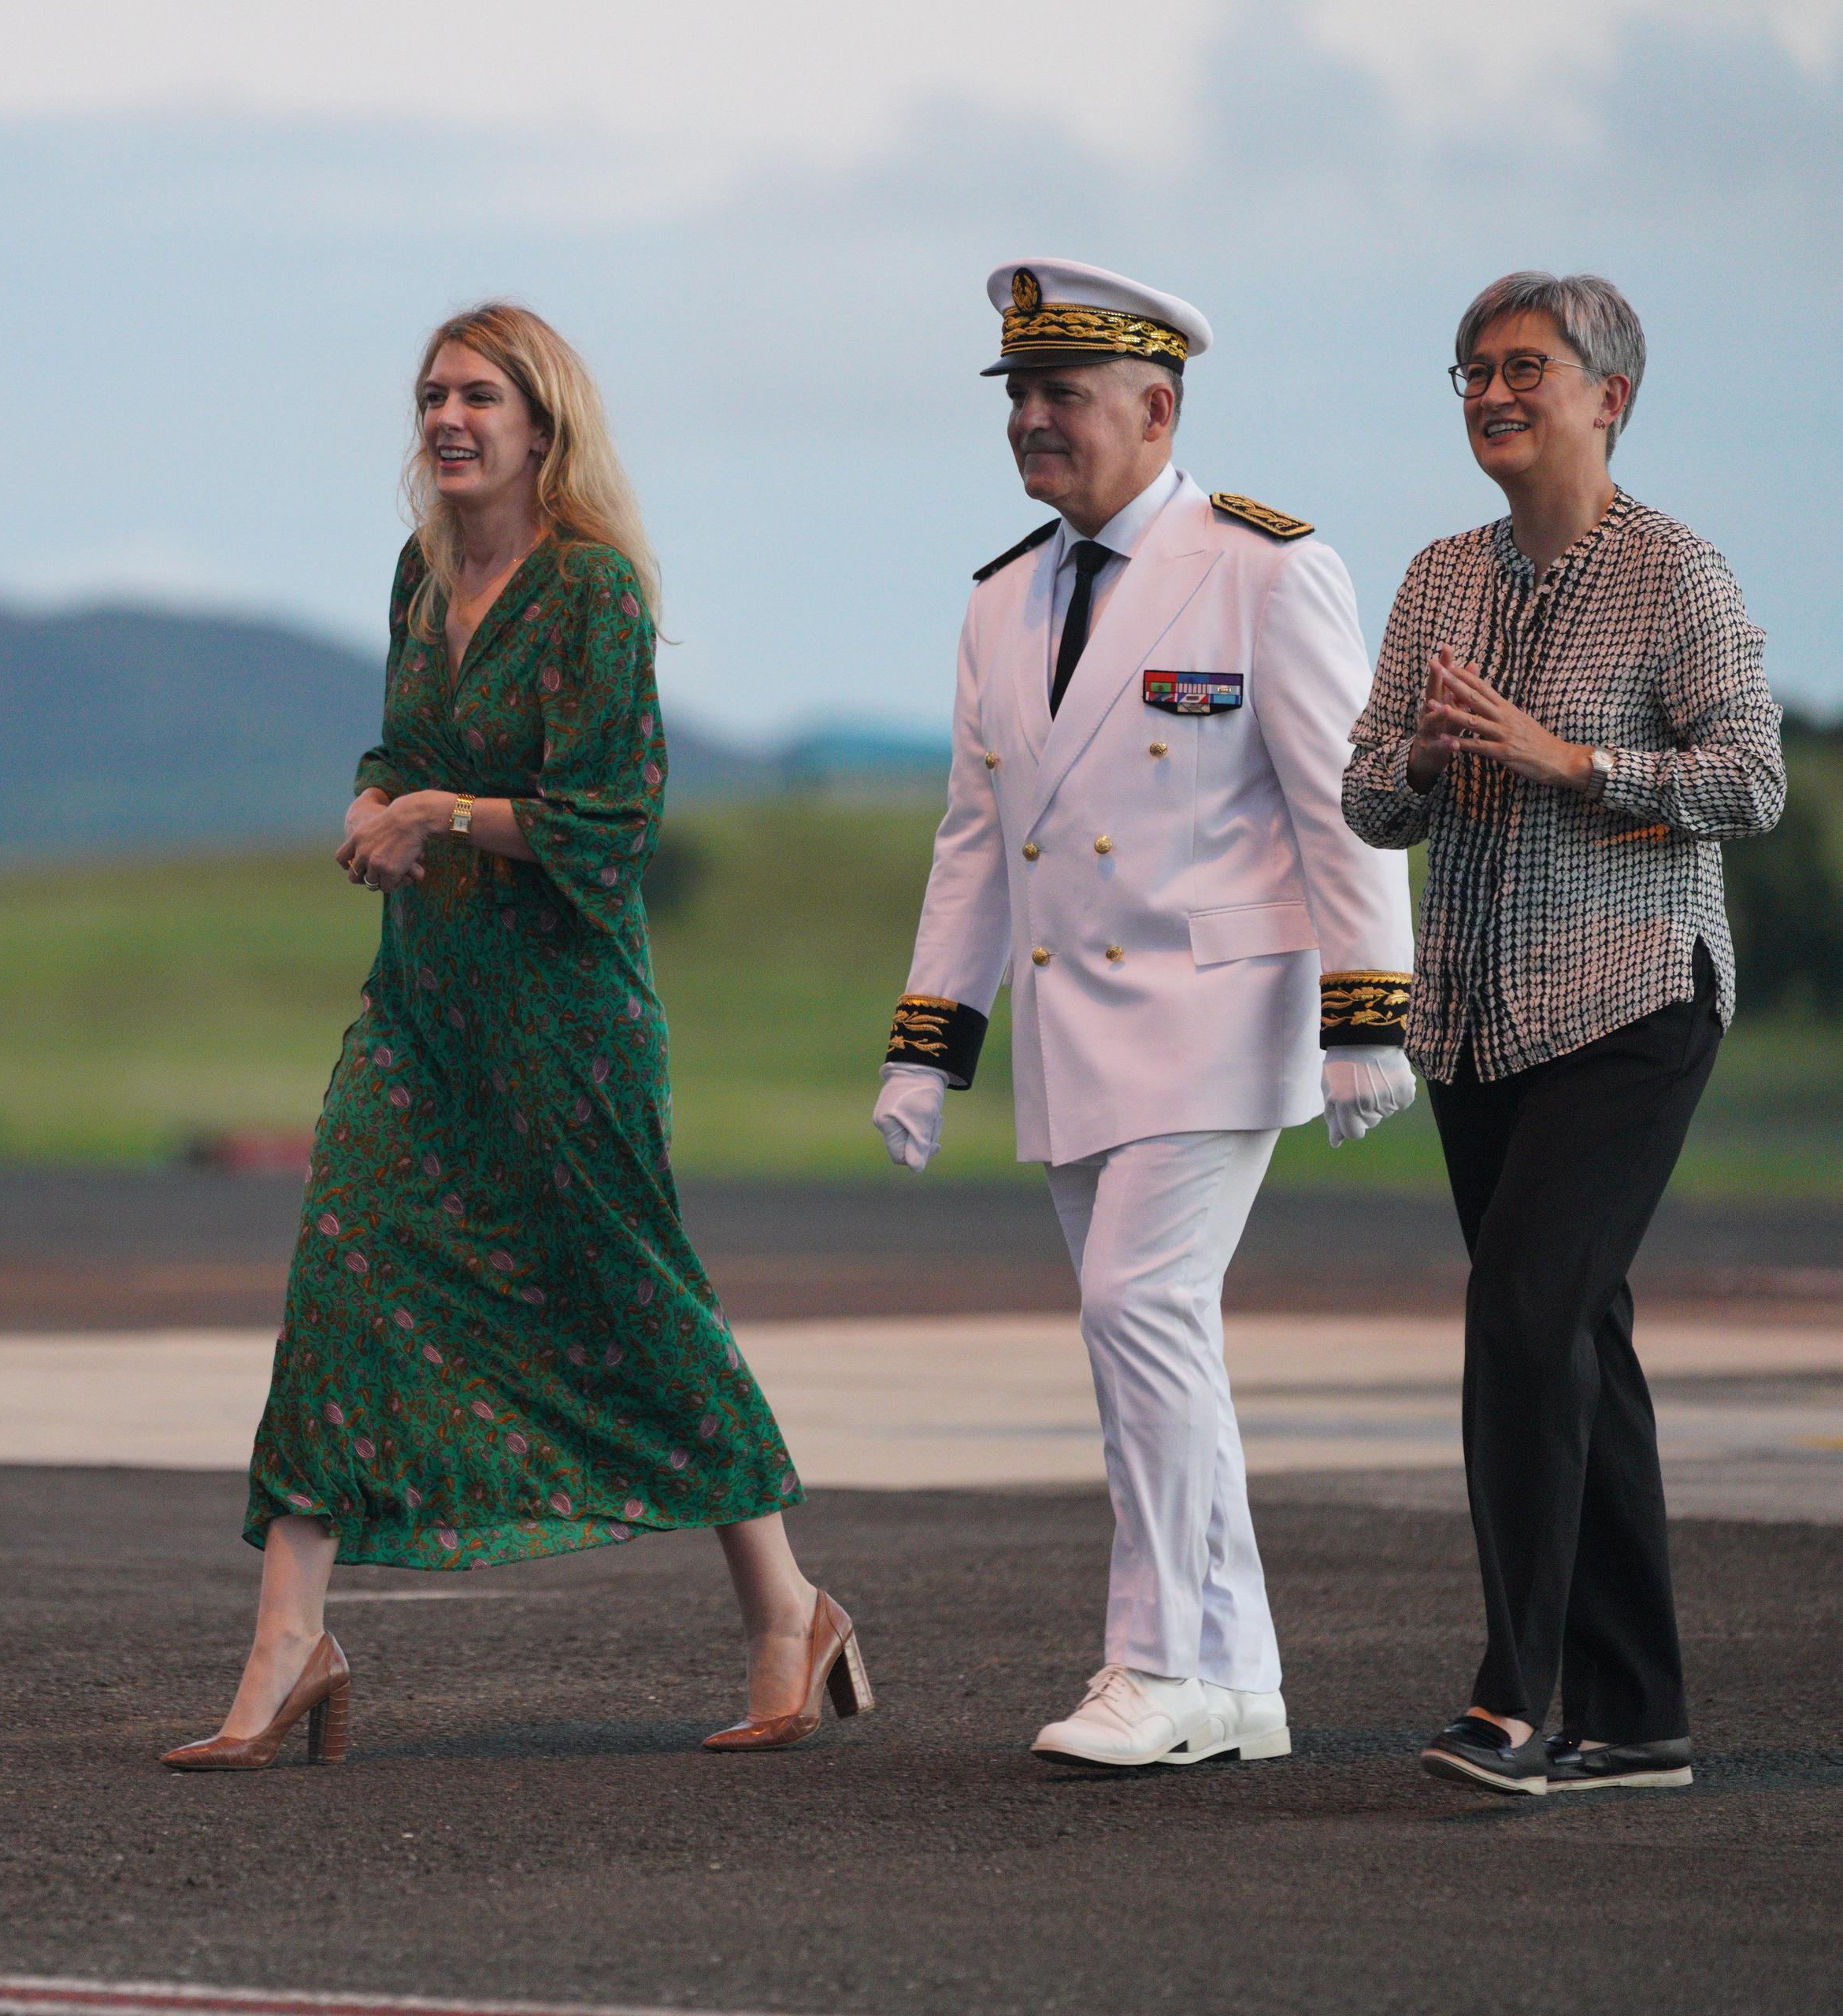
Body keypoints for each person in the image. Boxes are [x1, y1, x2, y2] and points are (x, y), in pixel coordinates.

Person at [162, 302, 869, 1770]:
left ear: (544, 425)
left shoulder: (594, 594)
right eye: (431, 394)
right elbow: (398, 749)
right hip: (420, 1009)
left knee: (634, 1301)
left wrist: (440, 817)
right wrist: (377, 802)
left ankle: (787, 1609)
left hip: (567, 1015)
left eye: (479, 394)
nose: (448, 418)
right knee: (340, 1275)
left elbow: (611, 821)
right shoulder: (421, 579)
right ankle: (291, 1639)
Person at [873, 260, 1416, 1770]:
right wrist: (929, 1043)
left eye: (1063, 396)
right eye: (1020, 397)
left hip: (1219, 1011)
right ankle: (1235, 1676)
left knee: (1142, 1311)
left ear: (1157, 407)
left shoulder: (1262, 568)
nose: (1033, 422)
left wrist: (1368, 1008)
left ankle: (1160, 1663)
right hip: (1072, 1031)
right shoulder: (1000, 598)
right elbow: (977, 841)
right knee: (1147, 1338)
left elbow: (1346, 804)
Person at [1344, 272, 1784, 1798]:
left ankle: (1515, 1700)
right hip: (1473, 1014)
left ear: (1610, 395)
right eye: (1467, 370)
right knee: (1575, 1334)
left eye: (1523, 366)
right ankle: (1641, 1712)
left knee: (1525, 1315)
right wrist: (1418, 749)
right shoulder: (1435, 579)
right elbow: (1363, 796)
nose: (1488, 391)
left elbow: (1752, 780)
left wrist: (1565, 757)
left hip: (1632, 995)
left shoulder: (1678, 573)